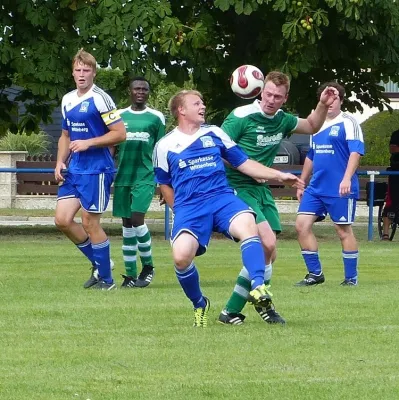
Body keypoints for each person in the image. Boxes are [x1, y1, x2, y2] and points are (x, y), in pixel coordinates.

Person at [153, 90, 305, 327]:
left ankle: (258, 287)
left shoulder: (215, 133)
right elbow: (164, 183)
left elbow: (244, 164)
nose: (203, 106)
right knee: (181, 258)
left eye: (203, 102)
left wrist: (278, 175)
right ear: (181, 110)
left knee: (248, 225)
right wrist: (178, 210)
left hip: (222, 197)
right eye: (197, 103)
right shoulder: (164, 145)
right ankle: (199, 303)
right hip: (191, 208)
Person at [218, 71, 340, 325]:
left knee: (267, 255)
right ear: (261, 91)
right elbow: (220, 150)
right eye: (268, 94)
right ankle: (264, 301)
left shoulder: (282, 119)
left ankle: (231, 311)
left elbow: (311, 126)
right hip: (236, 186)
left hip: (261, 189)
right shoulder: (241, 117)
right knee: (268, 243)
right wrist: (263, 171)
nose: (271, 100)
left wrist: (322, 104)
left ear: (285, 98)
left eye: (277, 97)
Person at [54, 48, 126, 290]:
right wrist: (60, 161)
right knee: (62, 220)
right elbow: (65, 136)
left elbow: (120, 133)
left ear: (94, 73)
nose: (82, 74)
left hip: (97, 169)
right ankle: (100, 263)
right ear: (72, 73)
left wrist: (88, 142)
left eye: (86, 70)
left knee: (89, 222)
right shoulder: (67, 99)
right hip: (74, 169)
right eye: (78, 70)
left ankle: (107, 279)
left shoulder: (101, 98)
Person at [295, 81, 365, 286]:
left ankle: (351, 279)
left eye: (336, 98)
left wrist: (346, 179)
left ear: (341, 101)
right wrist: (302, 182)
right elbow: (312, 155)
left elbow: (356, 152)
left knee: (343, 230)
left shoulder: (349, 122)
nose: (332, 102)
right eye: (328, 98)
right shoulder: (315, 125)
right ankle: (315, 274)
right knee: (301, 225)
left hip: (339, 188)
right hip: (316, 188)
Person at [112, 77, 165, 288]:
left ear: (148, 93)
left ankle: (149, 266)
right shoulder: (118, 116)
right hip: (123, 176)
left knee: (136, 219)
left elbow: (161, 150)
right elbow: (112, 146)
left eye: (144, 89)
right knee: (126, 225)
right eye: (137, 89)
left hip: (145, 176)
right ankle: (131, 275)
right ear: (130, 91)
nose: (140, 92)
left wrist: (162, 181)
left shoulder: (156, 117)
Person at [381, 128, 399, 240]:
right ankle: (385, 234)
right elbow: (393, 148)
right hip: (396, 176)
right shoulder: (396, 134)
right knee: (391, 202)